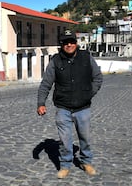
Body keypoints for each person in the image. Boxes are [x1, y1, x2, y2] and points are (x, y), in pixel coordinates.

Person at [37, 29, 103, 179]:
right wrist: (41, 103)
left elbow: (98, 78)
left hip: (83, 108)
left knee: (84, 138)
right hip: (63, 108)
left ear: (76, 43)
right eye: (66, 42)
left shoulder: (86, 57)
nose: (69, 45)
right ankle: (65, 165)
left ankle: (86, 162)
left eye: (72, 42)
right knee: (65, 140)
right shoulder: (55, 61)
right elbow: (46, 83)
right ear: (62, 44)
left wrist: (88, 93)